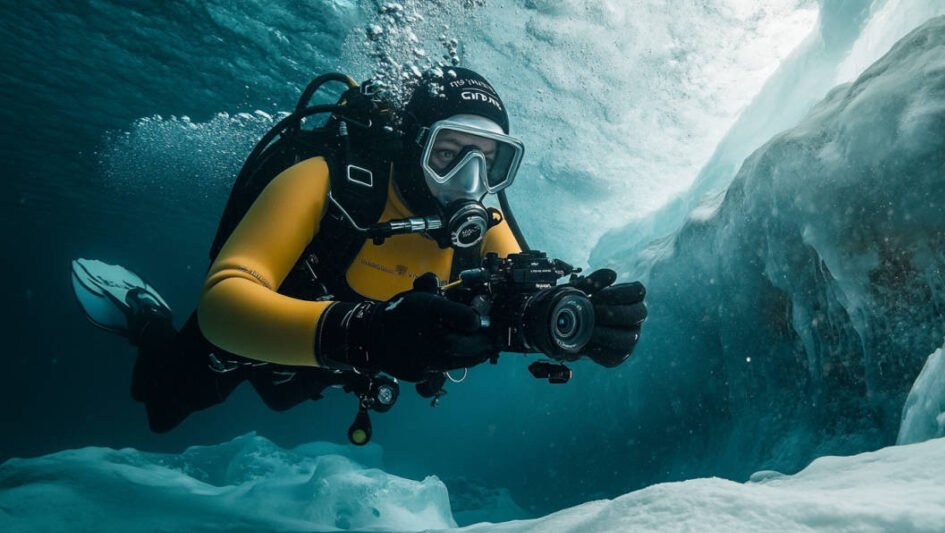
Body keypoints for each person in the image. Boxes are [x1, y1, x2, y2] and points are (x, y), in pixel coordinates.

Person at [72, 67, 647, 436]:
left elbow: (521, 292)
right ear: (412, 144)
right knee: (162, 406)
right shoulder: (328, 181)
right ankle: (146, 317)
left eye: (490, 160)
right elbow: (224, 305)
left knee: (283, 401)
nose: (470, 180)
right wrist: (366, 335)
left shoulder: (480, 219)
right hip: (257, 337)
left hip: (334, 363)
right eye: (450, 152)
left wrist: (575, 321)